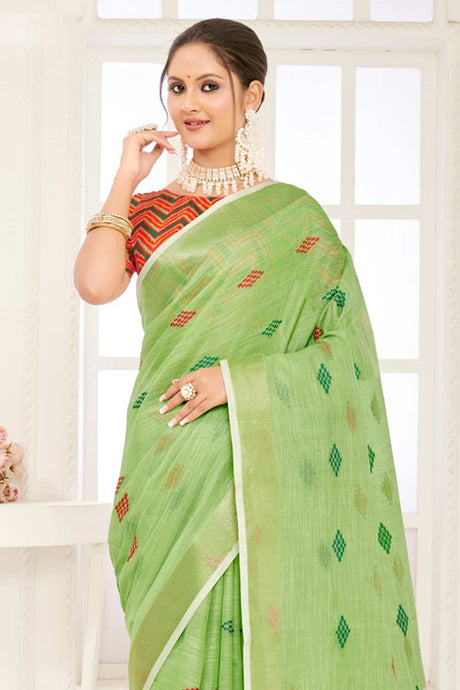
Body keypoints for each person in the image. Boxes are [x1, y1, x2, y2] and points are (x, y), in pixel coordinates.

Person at [73, 17, 427, 690]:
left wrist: (238, 382)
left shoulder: (293, 218)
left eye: (209, 85)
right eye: (177, 87)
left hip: (255, 445)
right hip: (168, 446)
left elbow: (344, 350)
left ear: (252, 96)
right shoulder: (148, 210)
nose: (190, 103)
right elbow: (95, 285)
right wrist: (124, 177)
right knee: (168, 626)